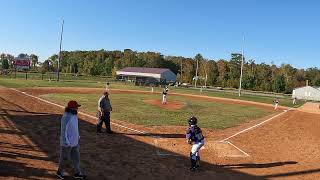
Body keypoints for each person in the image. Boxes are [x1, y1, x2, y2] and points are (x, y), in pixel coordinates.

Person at [57, 100, 86, 179]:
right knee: (64, 158)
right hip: (67, 143)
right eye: (76, 107)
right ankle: (60, 172)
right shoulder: (66, 117)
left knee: (76, 158)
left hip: (75, 142)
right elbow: (64, 131)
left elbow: (75, 127)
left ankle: (77, 173)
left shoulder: (74, 115)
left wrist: (78, 136)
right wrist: (66, 142)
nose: (77, 109)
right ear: (71, 108)